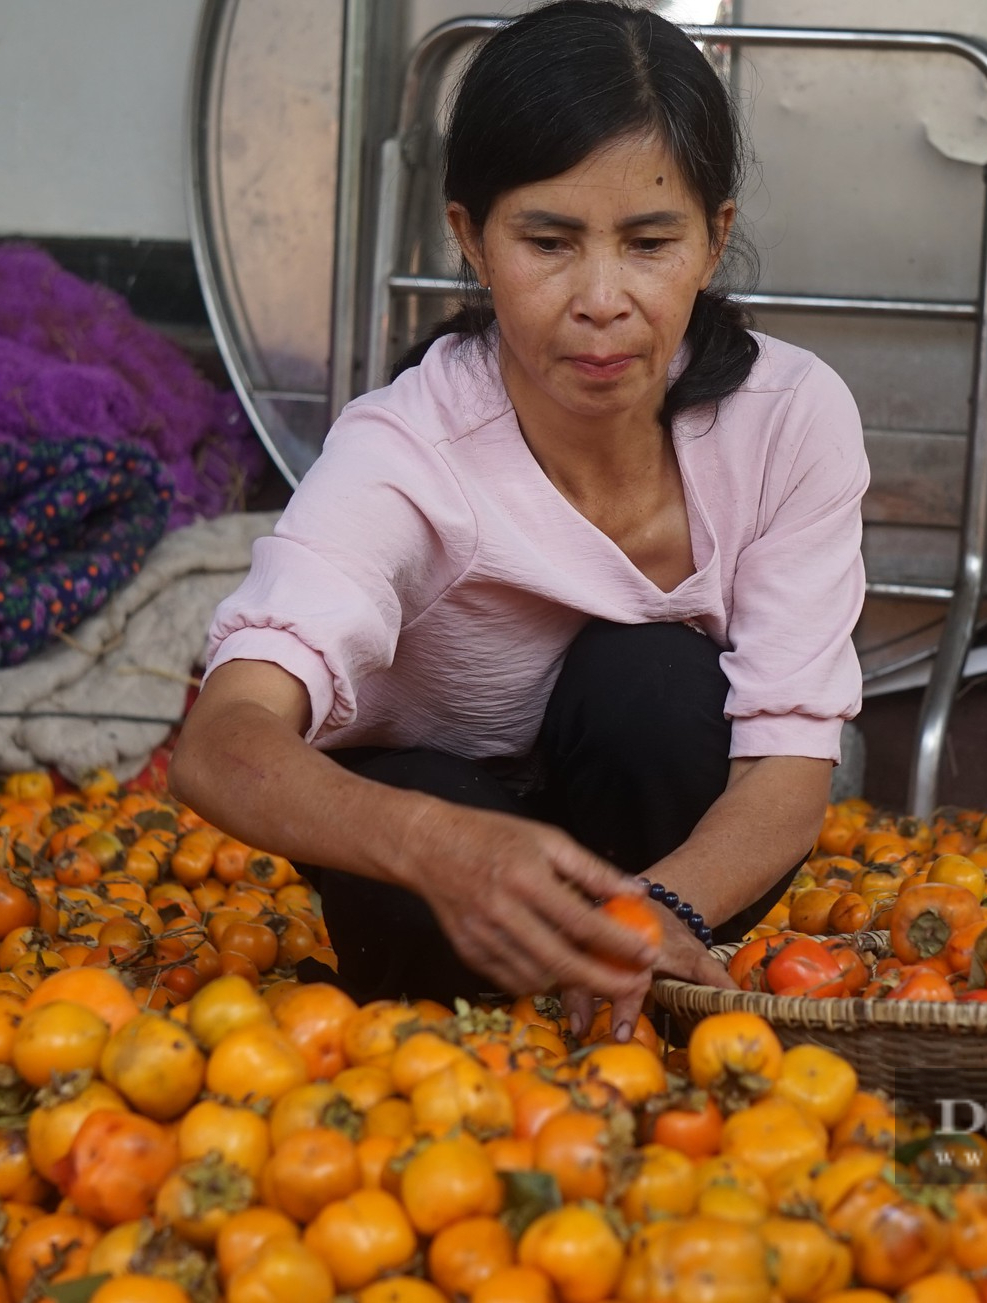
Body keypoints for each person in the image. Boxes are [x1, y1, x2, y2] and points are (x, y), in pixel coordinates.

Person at [170, 0, 868, 1043]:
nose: (600, 298)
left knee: (657, 685)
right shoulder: (406, 451)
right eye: (547, 241)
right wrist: (433, 842)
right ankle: (493, 1010)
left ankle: (657, 991)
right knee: (409, 794)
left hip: (667, 868)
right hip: (441, 851)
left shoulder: (786, 421)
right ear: (472, 239)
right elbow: (222, 745)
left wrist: (652, 913)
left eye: (649, 242)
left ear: (714, 240)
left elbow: (787, 764)